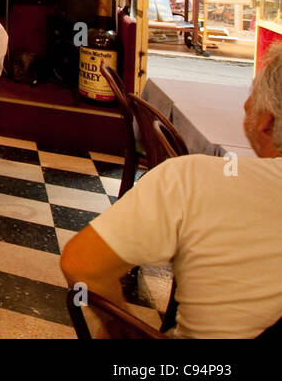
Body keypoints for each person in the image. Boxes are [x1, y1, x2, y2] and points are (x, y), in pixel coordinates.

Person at [60, 45, 282, 338]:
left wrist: (121, 330)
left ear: (267, 120)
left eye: (251, 94)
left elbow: (82, 264)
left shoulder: (197, 180)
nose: (245, 105)